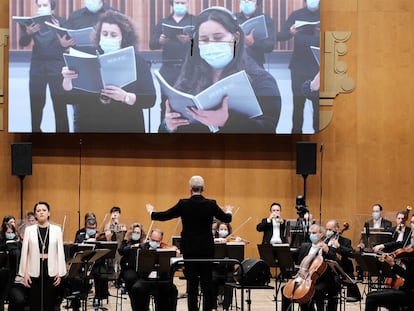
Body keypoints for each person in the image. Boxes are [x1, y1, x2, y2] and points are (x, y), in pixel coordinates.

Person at [161, 6, 281, 133]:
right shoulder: (188, 78)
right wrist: (168, 125)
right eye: (204, 39)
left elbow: (267, 130)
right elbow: (165, 132)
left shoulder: (261, 80)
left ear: (236, 37)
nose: (211, 44)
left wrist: (227, 122)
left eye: (218, 38)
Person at [146, 175, 233, 311]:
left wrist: (151, 212)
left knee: (192, 285)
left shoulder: (183, 204)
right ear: (203, 188)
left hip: (190, 250)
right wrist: (229, 210)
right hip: (206, 250)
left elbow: (165, 215)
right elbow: (227, 218)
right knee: (207, 285)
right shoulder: (211, 204)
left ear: (190, 189)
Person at [62, 10, 157, 132]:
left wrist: (125, 97)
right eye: (104, 34)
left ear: (124, 37)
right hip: (90, 127)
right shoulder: (86, 57)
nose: (108, 38)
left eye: (113, 35)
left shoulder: (137, 61)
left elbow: (150, 99)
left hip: (126, 127)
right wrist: (67, 80)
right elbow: (68, 99)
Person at [18, 0, 69, 132]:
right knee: (36, 102)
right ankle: (36, 132)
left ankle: (63, 135)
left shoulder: (61, 21)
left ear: (51, 7)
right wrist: (28, 33)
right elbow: (22, 43)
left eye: (44, 5)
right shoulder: (30, 22)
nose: (41, 8)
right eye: (39, 5)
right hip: (37, 66)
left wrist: (60, 33)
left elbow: (69, 44)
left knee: (59, 103)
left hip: (57, 64)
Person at [277, 0, 320, 133]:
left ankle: (318, 133)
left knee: (318, 105)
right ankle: (296, 132)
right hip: (298, 66)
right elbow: (280, 36)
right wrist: (290, 32)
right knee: (298, 103)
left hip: (318, 67)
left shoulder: (326, 15)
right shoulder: (297, 14)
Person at [18, 201, 66, 311]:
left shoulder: (57, 229)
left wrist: (60, 272)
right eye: (38, 211)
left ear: (49, 213)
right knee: (34, 302)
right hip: (33, 269)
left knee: (50, 302)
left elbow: (60, 253)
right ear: (35, 214)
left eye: (44, 210)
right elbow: (25, 253)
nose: (41, 213)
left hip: (51, 269)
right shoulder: (29, 230)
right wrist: (24, 273)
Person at [281, 223, 341, 311]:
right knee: (285, 290)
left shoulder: (328, 248)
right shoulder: (305, 246)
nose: (311, 235)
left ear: (321, 234)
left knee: (316, 290)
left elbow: (337, 263)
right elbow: (291, 256)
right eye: (310, 233)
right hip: (304, 278)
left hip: (322, 280)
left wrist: (327, 251)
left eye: (314, 233)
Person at [129, 228, 178, 311]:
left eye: (157, 241)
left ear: (161, 240)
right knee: (136, 289)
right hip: (145, 279)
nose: (155, 243)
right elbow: (135, 265)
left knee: (172, 290)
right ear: (150, 237)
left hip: (162, 280)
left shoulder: (165, 249)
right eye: (153, 240)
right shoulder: (142, 247)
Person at [149, 0, 194, 86]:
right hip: (168, 68)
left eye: (183, 3)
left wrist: (191, 40)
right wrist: (160, 41)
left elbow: (202, 42)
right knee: (165, 97)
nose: (180, 5)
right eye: (177, 3)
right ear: (172, 4)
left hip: (188, 69)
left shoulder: (194, 20)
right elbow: (152, 44)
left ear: (187, 4)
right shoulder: (164, 22)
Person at [365, 239, 414, 311]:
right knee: (371, 295)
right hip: (406, 290)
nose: (412, 235)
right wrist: (393, 257)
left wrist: (393, 264)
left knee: (371, 298)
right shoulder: (411, 251)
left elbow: (409, 276)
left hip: (410, 294)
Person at [235, 0, 275, 68]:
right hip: (235, 64)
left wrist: (253, 43)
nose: (246, 2)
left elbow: (270, 46)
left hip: (256, 64)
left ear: (257, 2)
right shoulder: (233, 18)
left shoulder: (266, 19)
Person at [118, 223, 146, 302]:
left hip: (140, 269)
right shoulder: (126, 242)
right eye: (134, 232)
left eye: (138, 233)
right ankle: (134, 299)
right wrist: (132, 246)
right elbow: (121, 251)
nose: (136, 234)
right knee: (132, 279)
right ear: (131, 233)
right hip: (128, 269)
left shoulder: (143, 243)